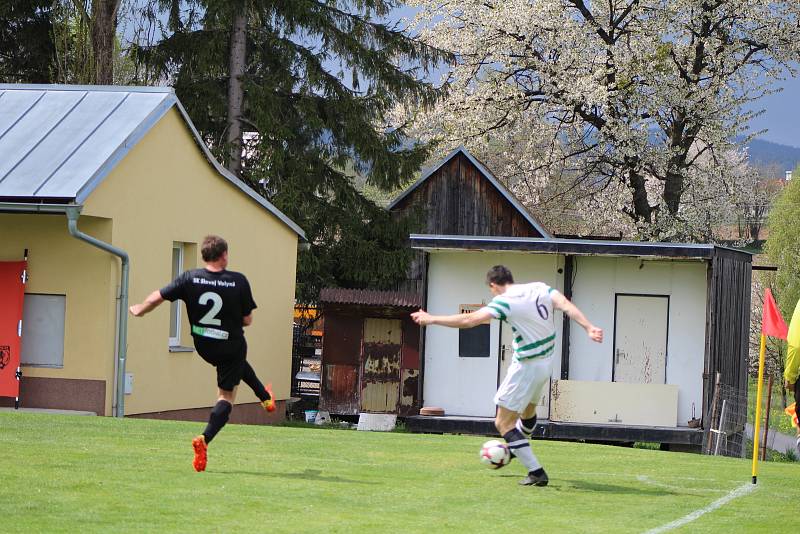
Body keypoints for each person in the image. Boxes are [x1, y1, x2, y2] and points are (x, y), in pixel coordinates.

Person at [411, 265, 603, 486]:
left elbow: (469, 320)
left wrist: (432, 319)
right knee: (529, 413)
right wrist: (589, 327)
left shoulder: (504, 301)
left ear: (493, 286)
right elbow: (566, 305)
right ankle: (515, 448)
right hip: (546, 364)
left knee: (503, 423)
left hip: (526, 367)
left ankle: (536, 472)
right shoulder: (540, 288)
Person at [129, 235, 275, 472]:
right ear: (224, 255)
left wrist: (141, 309)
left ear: (204, 255)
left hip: (204, 346)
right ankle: (204, 440)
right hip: (230, 344)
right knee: (226, 397)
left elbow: (159, 296)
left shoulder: (190, 277)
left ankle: (266, 398)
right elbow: (247, 320)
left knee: (236, 365)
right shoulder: (237, 281)